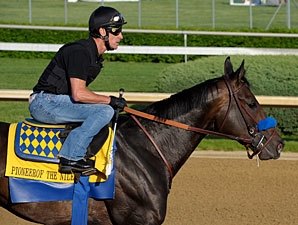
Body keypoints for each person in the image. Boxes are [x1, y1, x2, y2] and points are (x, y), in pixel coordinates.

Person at [29, 6, 127, 174]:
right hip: (44, 103)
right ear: (102, 31)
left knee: (106, 110)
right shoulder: (79, 52)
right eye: (116, 31)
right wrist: (110, 100)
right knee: (104, 111)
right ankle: (71, 157)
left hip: (55, 101)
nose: (121, 36)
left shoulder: (93, 55)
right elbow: (79, 94)